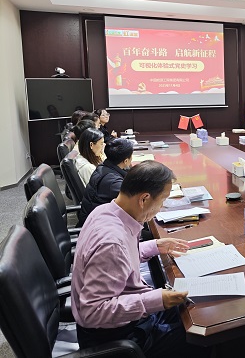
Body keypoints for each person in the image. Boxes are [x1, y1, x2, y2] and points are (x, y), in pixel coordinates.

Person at [72, 160, 206, 357]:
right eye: (162, 201)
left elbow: (118, 258)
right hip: (115, 336)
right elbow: (93, 312)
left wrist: (154, 246)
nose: (161, 207)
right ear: (144, 199)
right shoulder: (112, 242)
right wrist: (155, 300)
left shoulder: (106, 211)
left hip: (121, 317)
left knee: (187, 309)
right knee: (201, 335)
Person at [78, 138, 134, 227]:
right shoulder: (113, 182)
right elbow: (135, 202)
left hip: (96, 220)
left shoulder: (104, 167)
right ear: (126, 161)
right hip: (97, 227)